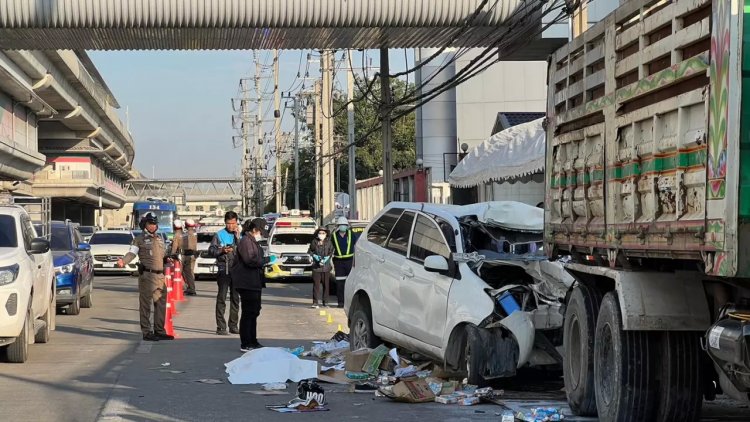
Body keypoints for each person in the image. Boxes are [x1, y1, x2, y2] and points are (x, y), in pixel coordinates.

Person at [117, 212, 174, 341]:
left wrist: (168, 259)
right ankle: (147, 332)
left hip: (160, 276)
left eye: (154, 223)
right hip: (147, 276)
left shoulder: (159, 239)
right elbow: (131, 253)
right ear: (145, 224)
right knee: (145, 306)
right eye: (150, 223)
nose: (153, 226)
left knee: (160, 304)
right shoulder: (139, 239)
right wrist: (123, 261)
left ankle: (159, 330)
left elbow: (162, 256)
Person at [231, 218, 273, 352]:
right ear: (254, 230)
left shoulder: (253, 241)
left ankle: (253, 341)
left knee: (254, 312)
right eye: (260, 232)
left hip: (254, 281)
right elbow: (250, 260)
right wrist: (266, 260)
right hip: (246, 282)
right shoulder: (246, 241)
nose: (261, 235)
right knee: (248, 313)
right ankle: (246, 342)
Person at [208, 211, 241, 335]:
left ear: (237, 222)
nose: (231, 226)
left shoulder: (240, 235)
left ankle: (233, 325)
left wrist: (238, 238)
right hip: (223, 269)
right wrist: (222, 250)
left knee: (235, 299)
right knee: (221, 298)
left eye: (233, 223)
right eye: (228, 223)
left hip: (237, 270)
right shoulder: (219, 235)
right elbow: (211, 250)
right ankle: (221, 326)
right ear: (225, 223)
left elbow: (243, 250)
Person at [331, 216, 357, 308]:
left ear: (347, 226)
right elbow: (331, 248)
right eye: (341, 225)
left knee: (350, 282)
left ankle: (350, 303)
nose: (343, 226)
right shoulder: (334, 235)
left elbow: (356, 246)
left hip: (349, 261)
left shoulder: (351, 234)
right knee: (340, 283)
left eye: (344, 225)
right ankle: (341, 302)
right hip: (338, 262)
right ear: (338, 226)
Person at [172, 218, 198, 296]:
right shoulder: (195, 233)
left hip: (184, 255)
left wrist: (172, 255)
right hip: (193, 255)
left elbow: (175, 246)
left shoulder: (179, 235)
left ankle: (178, 288)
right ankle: (191, 288)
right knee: (190, 272)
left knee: (179, 272)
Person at [308, 227, 333, 308]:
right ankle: (315, 302)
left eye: (323, 233)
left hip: (326, 267)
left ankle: (326, 302)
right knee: (316, 285)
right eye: (320, 233)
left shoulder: (329, 242)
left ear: (326, 234)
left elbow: (331, 251)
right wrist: (314, 256)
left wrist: (327, 258)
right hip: (316, 267)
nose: (321, 234)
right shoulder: (314, 242)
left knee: (326, 285)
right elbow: (310, 251)